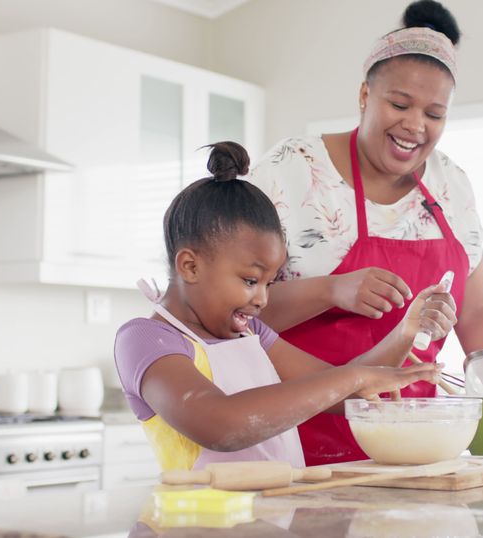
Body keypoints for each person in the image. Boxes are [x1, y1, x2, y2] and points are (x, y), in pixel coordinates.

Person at [246, 0, 483, 465]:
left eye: (435, 114)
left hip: (412, 449)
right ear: (364, 96)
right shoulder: (295, 170)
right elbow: (228, 312)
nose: (415, 126)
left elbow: (479, 310)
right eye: (399, 104)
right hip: (293, 442)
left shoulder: (452, 186)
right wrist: (332, 289)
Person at [113, 142, 456, 471]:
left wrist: (406, 332)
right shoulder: (146, 340)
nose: (262, 299)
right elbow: (220, 425)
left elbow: (343, 394)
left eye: (269, 283)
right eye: (250, 280)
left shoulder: (251, 335)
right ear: (190, 266)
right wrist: (354, 377)